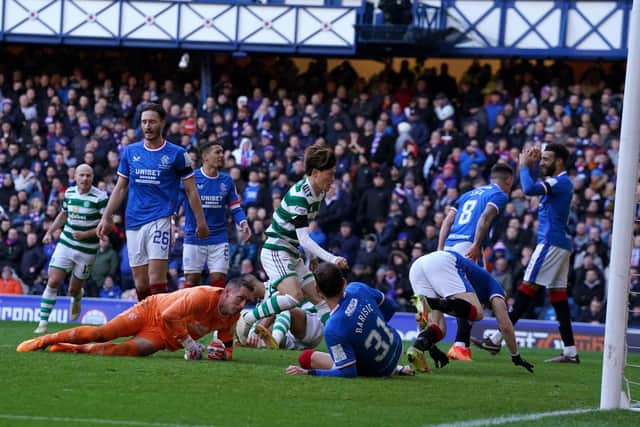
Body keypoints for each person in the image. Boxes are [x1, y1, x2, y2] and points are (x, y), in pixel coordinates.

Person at [474, 144, 579, 364]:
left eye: (546, 159)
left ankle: (496, 337)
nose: (542, 163)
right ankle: (570, 351)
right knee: (558, 298)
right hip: (561, 243)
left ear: (559, 161)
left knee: (526, 290)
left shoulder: (559, 182)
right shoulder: (562, 183)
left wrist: (523, 167)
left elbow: (529, 189)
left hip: (550, 242)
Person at [96, 103, 208, 301]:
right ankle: (148, 325)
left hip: (160, 219)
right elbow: (120, 187)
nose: (147, 126)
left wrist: (201, 221)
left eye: (152, 122)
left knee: (156, 279)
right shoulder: (130, 152)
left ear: (162, 123)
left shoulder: (177, 154)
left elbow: (191, 190)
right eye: (144, 122)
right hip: (133, 220)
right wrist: (106, 217)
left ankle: (159, 329)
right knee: (140, 284)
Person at [237, 144, 348, 341]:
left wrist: (312, 257)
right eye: (329, 174)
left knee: (319, 299)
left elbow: (302, 232)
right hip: (276, 249)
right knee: (295, 296)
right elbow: (304, 238)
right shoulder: (300, 196)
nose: (333, 179)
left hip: (291, 251)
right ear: (315, 173)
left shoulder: (319, 192)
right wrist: (332, 258)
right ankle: (248, 317)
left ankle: (339, 340)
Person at [17, 276, 254, 359]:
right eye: (239, 298)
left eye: (245, 302)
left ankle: (71, 348)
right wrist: (190, 344)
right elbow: (169, 314)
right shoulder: (203, 296)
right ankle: (44, 340)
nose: (241, 305)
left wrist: (221, 355)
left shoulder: (231, 317)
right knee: (103, 333)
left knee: (124, 351)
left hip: (163, 336)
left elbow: (227, 346)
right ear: (226, 292)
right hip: (150, 311)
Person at [406, 250, 534, 374]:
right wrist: (516, 356)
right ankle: (432, 302)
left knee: (439, 328)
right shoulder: (496, 290)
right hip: (443, 261)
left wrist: (431, 347)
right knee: (478, 313)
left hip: (418, 266)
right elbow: (505, 325)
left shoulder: (477, 285)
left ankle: (417, 348)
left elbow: (424, 323)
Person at [435, 163, 513, 361]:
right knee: (471, 295)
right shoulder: (499, 195)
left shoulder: (468, 194)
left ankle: (458, 341)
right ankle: (461, 345)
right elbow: (485, 218)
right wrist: (477, 244)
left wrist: (440, 248)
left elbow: (447, 221)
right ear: (508, 181)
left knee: (462, 292)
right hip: (468, 246)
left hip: (450, 244)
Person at [285, 263, 414, 377]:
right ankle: (398, 367)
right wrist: (370, 323)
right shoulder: (358, 288)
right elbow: (391, 307)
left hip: (380, 369)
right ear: (343, 282)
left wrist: (309, 373)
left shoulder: (332, 328)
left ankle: (395, 369)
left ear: (317, 289)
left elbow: (347, 372)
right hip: (396, 346)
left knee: (306, 358)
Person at [34, 164, 108, 334]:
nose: (85, 179)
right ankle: (42, 323)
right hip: (66, 244)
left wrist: (87, 234)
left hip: (87, 250)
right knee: (52, 280)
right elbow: (63, 215)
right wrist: (50, 232)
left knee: (72, 289)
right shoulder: (69, 193)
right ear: (75, 176)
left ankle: (76, 297)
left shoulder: (100, 197)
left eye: (88, 175)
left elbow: (107, 225)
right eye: (82, 175)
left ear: (92, 177)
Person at [181, 140, 251, 288]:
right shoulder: (191, 178)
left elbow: (235, 207)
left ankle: (215, 311)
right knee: (191, 280)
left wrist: (243, 223)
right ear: (205, 156)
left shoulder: (227, 180)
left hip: (218, 237)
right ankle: (190, 311)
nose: (222, 155)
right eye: (217, 152)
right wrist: (172, 220)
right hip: (194, 235)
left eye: (222, 152)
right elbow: (176, 201)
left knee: (219, 280)